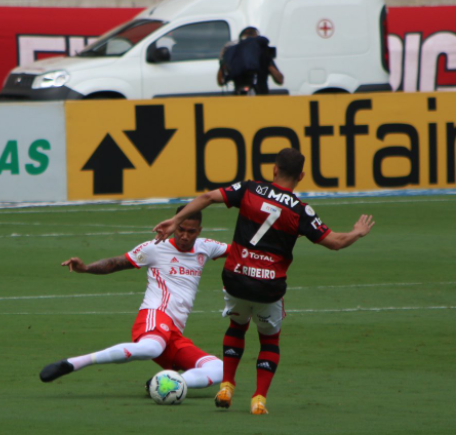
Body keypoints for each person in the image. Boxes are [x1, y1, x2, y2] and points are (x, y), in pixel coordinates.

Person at [153, 148, 375, 415]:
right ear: (301, 176)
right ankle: (259, 399)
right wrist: (357, 232)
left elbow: (207, 197)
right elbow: (335, 243)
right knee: (269, 341)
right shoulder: (301, 211)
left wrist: (176, 219)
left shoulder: (250, 189)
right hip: (269, 287)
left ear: (274, 169)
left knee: (237, 327)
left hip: (236, 278)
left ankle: (227, 386)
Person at [40, 207, 228, 392]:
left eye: (191, 231)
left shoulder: (206, 247)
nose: (185, 236)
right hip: (155, 315)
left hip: (174, 333)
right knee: (151, 348)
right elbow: (116, 263)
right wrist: (87, 268)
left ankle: (168, 382)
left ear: (199, 231)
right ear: (174, 226)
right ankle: (73, 363)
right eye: (181, 229)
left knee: (221, 369)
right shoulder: (155, 247)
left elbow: (243, 252)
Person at [217, 27, 284, 96]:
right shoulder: (262, 53)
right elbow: (279, 80)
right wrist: (268, 62)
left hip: (239, 97)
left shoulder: (234, 53)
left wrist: (223, 60)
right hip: (261, 98)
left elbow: (220, 81)